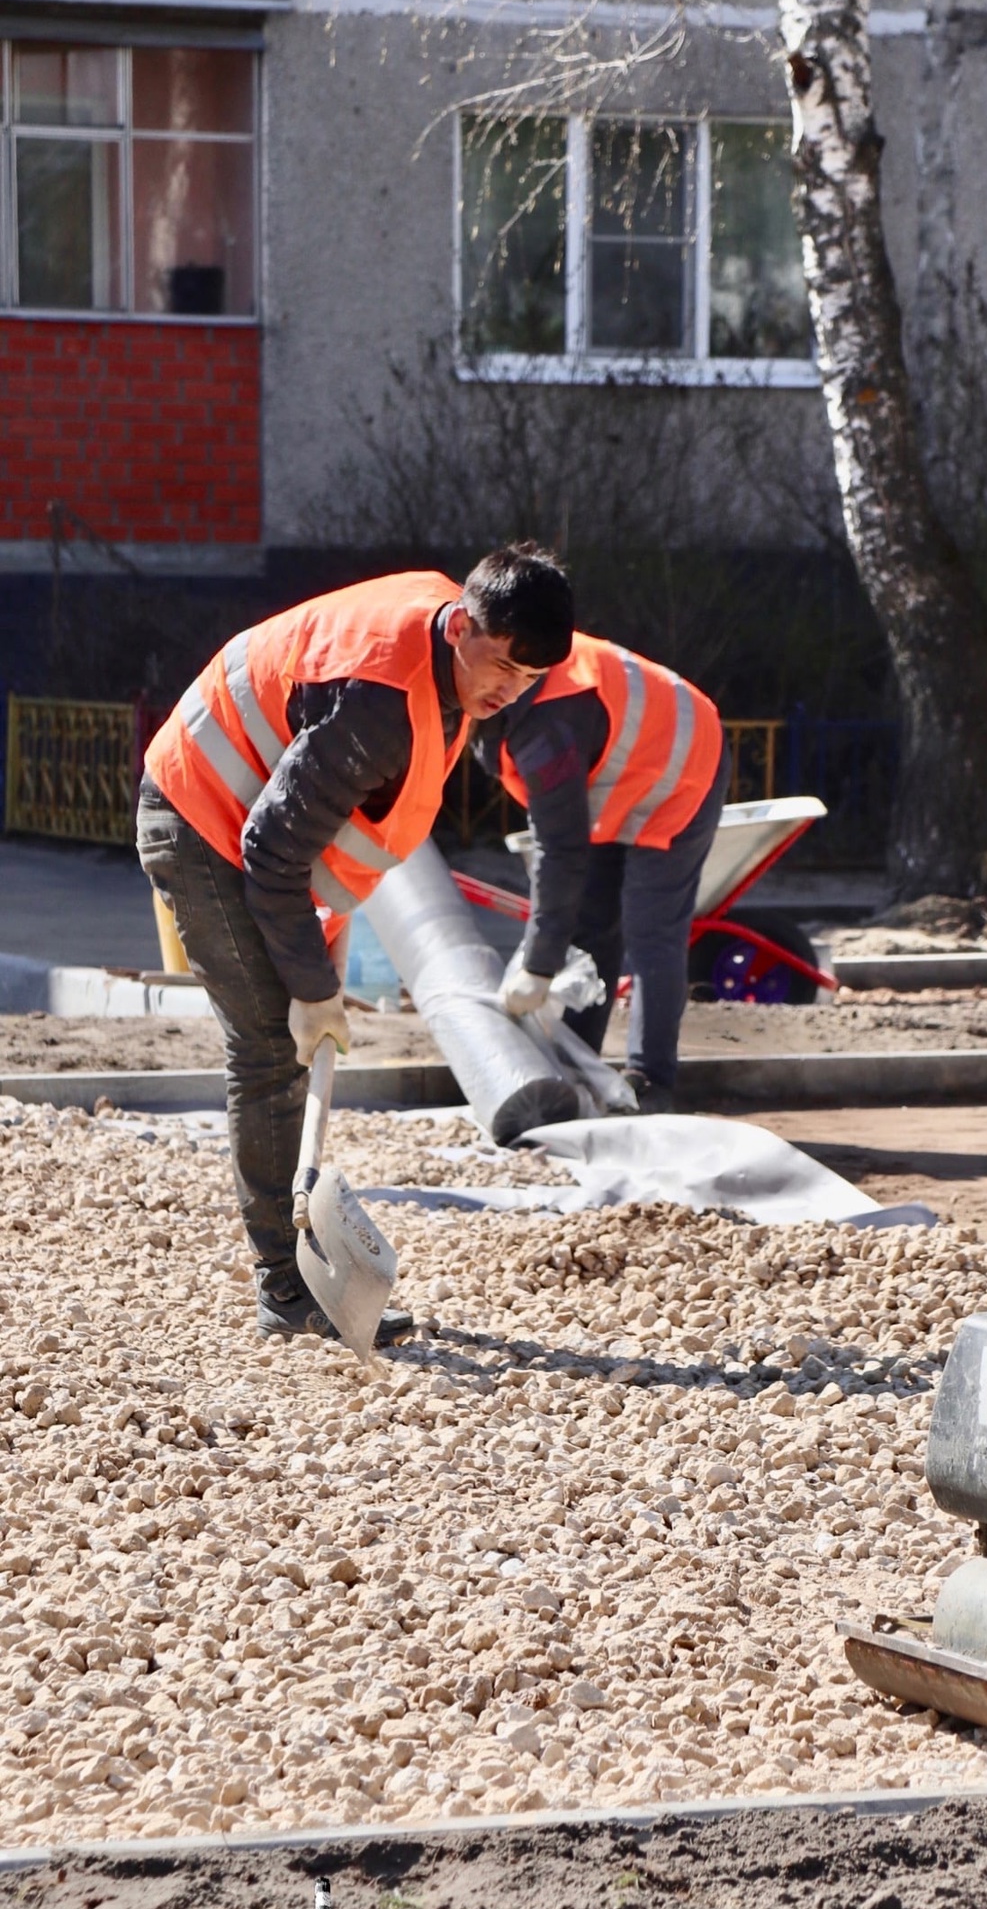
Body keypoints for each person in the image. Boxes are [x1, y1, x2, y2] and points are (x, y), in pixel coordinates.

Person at [137, 546, 574, 1337]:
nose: (508, 689)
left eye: (529, 679)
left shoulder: (438, 653)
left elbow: (326, 835)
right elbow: (271, 852)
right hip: (201, 818)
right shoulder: (377, 706)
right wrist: (310, 989)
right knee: (271, 1047)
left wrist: (321, 942)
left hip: (248, 828)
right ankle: (286, 1292)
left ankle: (293, 1270)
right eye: (503, 664)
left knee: (284, 1040)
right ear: (463, 627)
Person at [478, 631, 729, 1113]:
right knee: (593, 924)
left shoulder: (547, 724)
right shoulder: (510, 677)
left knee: (650, 929)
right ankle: (577, 1066)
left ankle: (652, 1080)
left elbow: (559, 849)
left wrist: (538, 965)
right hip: (621, 777)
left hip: (683, 767)